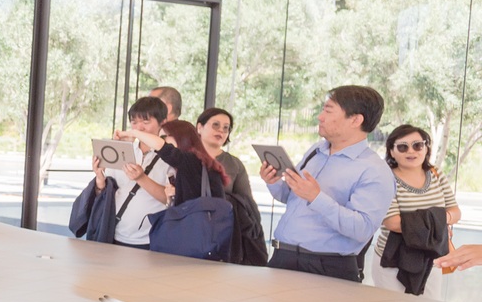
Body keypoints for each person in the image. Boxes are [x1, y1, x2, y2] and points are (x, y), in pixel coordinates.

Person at [260, 85, 396, 283]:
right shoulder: (316, 151)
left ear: (356, 120)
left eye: (328, 110)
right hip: (283, 258)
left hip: (327, 268)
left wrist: (316, 198)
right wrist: (273, 182)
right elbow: (289, 197)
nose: (320, 117)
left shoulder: (375, 170)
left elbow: (362, 229)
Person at [371, 123, 460, 295]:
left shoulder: (436, 174)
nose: (411, 152)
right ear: (391, 151)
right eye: (402, 147)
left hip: (432, 257)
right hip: (394, 259)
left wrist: (428, 219)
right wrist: (439, 219)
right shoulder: (385, 178)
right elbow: (393, 223)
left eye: (417, 145)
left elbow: (456, 213)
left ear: (426, 148)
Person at [90, 95, 172, 248]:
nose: (139, 128)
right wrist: (100, 178)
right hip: (113, 233)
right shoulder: (125, 150)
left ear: (162, 123)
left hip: (149, 239)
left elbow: (170, 199)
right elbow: (107, 191)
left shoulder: (171, 157)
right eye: (134, 122)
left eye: (146, 122)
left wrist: (141, 178)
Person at [197, 106, 268, 265]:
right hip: (191, 230)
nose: (221, 131)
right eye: (215, 125)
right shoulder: (185, 158)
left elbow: (246, 203)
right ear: (199, 127)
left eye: (226, 128)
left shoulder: (234, 164)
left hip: (225, 235)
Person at [116, 118, 229, 204]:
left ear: (181, 137)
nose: (162, 141)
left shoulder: (192, 160)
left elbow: (164, 148)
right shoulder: (193, 163)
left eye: (164, 137)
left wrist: (134, 133)